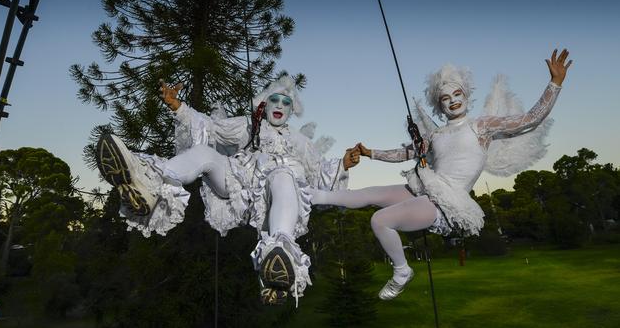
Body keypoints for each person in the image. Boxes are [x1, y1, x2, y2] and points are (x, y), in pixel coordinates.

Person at [312, 49, 572, 299]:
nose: (453, 101)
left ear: (466, 96)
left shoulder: (481, 126)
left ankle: (402, 271)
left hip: (445, 203)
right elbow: (406, 154)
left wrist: (555, 83)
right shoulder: (436, 134)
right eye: (445, 99)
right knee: (369, 194)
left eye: (457, 94)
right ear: (440, 106)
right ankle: (314, 196)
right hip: (426, 187)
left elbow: (529, 120)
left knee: (380, 220)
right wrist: (371, 153)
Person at [96, 75, 357, 305]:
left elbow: (319, 174)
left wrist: (343, 164)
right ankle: (148, 183)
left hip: (277, 200)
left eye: (286, 103)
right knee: (203, 153)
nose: (279, 106)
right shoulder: (248, 126)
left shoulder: (300, 143)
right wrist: (178, 106)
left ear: (291, 111)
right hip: (240, 189)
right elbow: (209, 128)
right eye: (274, 100)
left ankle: (280, 252)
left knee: (284, 175)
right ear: (264, 105)